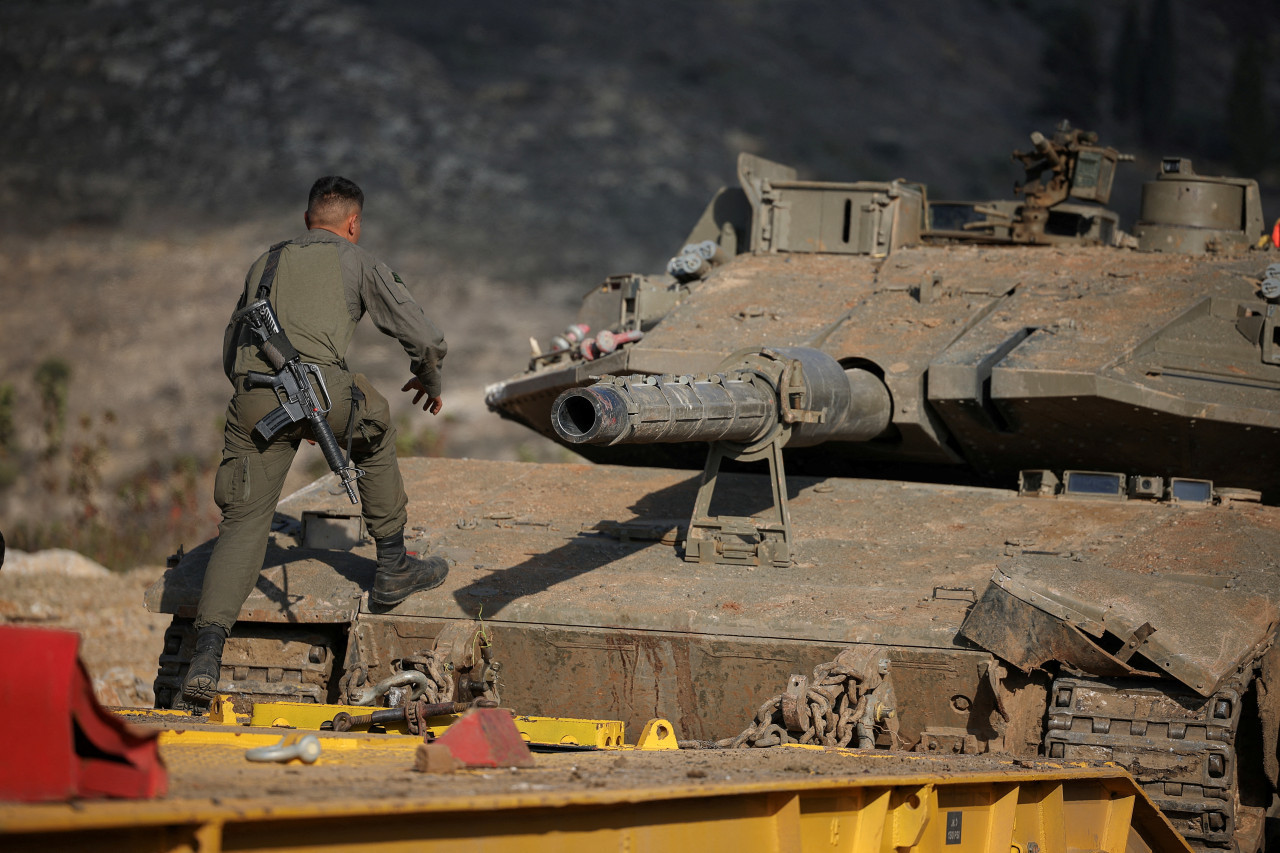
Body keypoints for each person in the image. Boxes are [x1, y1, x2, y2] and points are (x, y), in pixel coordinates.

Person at [181, 176, 449, 706]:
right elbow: (423, 336)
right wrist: (430, 376)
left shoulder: (266, 262)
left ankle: (207, 652)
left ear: (308, 220)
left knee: (242, 525)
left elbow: (233, 349)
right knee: (375, 420)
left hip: (257, 398)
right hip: (322, 392)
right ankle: (394, 565)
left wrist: (278, 410)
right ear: (353, 224)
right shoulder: (357, 260)